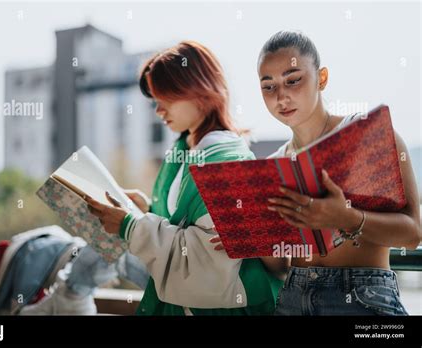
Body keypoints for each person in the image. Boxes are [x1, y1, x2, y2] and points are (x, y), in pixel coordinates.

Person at [210, 30, 420, 316]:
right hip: (292, 298)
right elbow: (282, 266)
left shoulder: (367, 138)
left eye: (293, 80)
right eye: (268, 86)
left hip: (363, 297)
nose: (281, 96)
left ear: (321, 78)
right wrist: (251, 239)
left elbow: (413, 234)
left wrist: (347, 218)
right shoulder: (273, 167)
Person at [86, 40, 286, 315]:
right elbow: (180, 228)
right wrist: (145, 209)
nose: (158, 110)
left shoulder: (227, 162)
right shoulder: (183, 149)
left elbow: (209, 264)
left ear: (198, 91)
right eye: (155, 101)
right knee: (85, 251)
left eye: (165, 99)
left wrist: (131, 225)